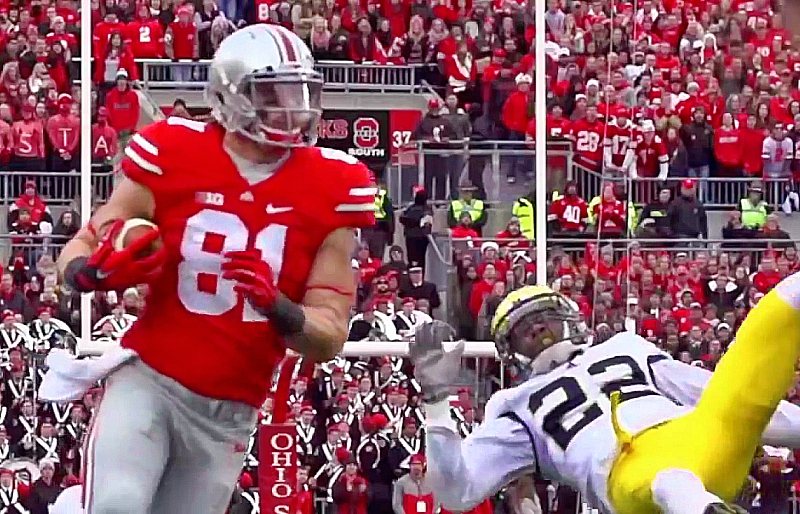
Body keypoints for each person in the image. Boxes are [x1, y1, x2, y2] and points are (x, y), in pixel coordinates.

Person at [44, 24, 375, 514]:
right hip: (151, 382)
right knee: (117, 505)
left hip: (230, 415)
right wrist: (88, 274)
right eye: (273, 93)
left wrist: (279, 308)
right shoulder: (173, 150)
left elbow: (329, 335)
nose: (292, 107)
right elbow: (85, 244)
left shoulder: (333, 185)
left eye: (299, 91)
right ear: (230, 92)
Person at [410, 279, 800, 514]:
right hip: (626, 470)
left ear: (570, 318)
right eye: (522, 329)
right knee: (667, 479)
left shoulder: (625, 348)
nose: (537, 330)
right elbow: (457, 491)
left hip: (697, 436)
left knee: (781, 306)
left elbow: (714, 396)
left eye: (542, 316)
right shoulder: (513, 406)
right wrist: (436, 401)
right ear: (510, 352)